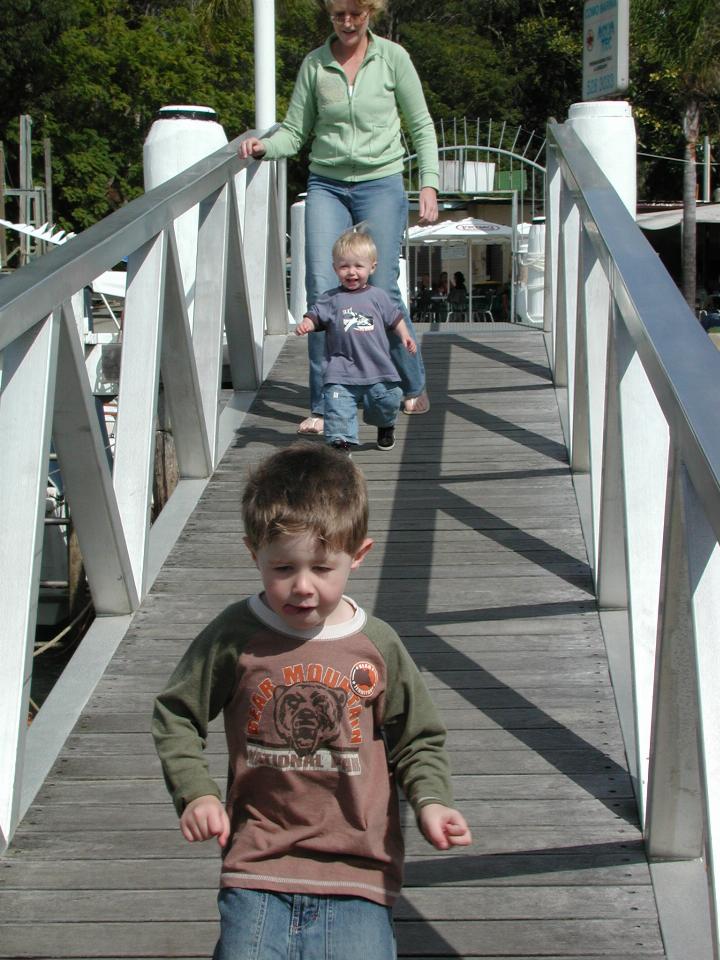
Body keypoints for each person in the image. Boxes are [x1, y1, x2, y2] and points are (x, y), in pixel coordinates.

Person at [152, 443, 472, 960]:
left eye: (323, 569)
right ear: (252, 552)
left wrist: (432, 801)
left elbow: (418, 737)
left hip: (359, 870)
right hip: (257, 860)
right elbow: (177, 711)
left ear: (358, 556)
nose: (302, 587)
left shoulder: (378, 644)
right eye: (282, 569)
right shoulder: (237, 634)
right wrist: (196, 793)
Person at [239, 0, 438, 435]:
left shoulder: (392, 59)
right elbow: (294, 131)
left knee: (381, 285)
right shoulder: (315, 65)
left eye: (356, 15)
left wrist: (429, 182)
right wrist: (263, 147)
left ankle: (411, 382)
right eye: (338, 16)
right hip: (327, 183)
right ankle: (324, 403)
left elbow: (420, 124)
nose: (347, 24)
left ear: (371, 13)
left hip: (381, 181)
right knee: (323, 290)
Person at [295, 227, 417, 453]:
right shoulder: (330, 298)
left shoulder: (378, 297)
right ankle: (341, 443)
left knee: (388, 401)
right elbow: (315, 315)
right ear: (335, 268)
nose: (351, 272)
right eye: (344, 266)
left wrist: (405, 335)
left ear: (372, 267)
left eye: (358, 266)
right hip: (341, 370)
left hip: (378, 368)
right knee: (337, 407)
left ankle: (385, 425)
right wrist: (307, 324)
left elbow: (395, 318)